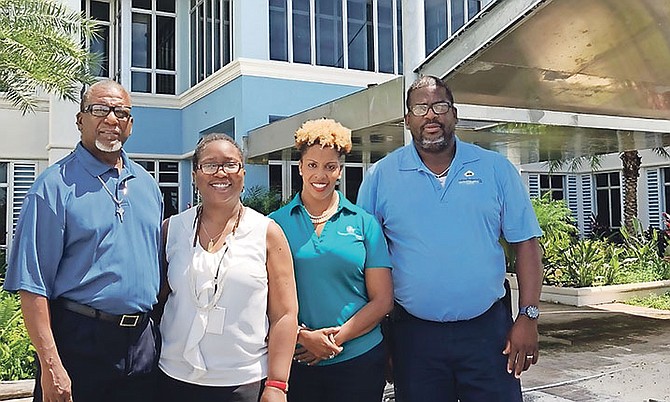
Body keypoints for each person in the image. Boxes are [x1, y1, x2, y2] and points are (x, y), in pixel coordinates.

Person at [357, 75, 544, 402]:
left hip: (488, 334)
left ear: (454, 115)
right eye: (420, 108)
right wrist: (379, 338)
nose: (431, 115)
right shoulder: (380, 177)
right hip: (413, 337)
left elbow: (526, 244)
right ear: (407, 120)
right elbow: (365, 260)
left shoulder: (496, 169)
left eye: (440, 106)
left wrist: (528, 317)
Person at [3, 80, 163, 402]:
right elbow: (32, 286)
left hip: (143, 345)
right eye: (99, 110)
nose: (111, 119)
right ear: (80, 120)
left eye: (121, 112)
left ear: (130, 124)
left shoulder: (148, 186)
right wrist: (50, 366)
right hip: (80, 342)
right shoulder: (52, 188)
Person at [156, 133, 298, 402]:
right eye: (210, 165)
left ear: (242, 173)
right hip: (174, 379)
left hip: (242, 383)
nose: (220, 173)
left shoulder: (267, 233)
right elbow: (157, 302)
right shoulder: (172, 229)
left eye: (230, 164)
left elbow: (285, 315)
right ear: (196, 175)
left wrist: (277, 385)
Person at [270, 119, 393, 402]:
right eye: (312, 165)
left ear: (340, 170)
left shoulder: (364, 224)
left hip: (359, 360)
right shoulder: (274, 225)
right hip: (296, 360)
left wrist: (332, 341)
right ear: (299, 167)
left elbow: (383, 299)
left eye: (330, 166)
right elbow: (265, 299)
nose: (320, 175)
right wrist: (303, 337)